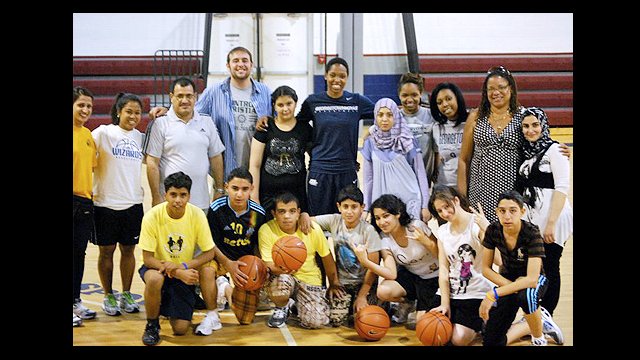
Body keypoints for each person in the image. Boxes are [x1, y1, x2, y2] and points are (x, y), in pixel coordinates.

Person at [259, 57, 374, 216]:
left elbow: (384, 114)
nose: (337, 80)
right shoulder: (313, 102)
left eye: (342, 76)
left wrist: (371, 132)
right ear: (326, 75)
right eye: (333, 75)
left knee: (347, 219)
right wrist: (269, 119)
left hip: (346, 170)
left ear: (347, 77)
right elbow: (294, 124)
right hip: (320, 170)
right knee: (318, 221)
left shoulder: (356, 101)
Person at [458, 65, 570, 224]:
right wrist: (463, 196)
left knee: (510, 240)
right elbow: (464, 159)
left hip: (512, 190)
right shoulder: (476, 116)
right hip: (479, 190)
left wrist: (559, 151)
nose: (496, 92)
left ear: (510, 88)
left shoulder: (522, 115)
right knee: (483, 239)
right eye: (491, 89)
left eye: (501, 87)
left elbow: (541, 146)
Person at [149, 46, 272, 180]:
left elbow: (277, 123)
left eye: (245, 60)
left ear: (251, 65)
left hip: (258, 172)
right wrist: (168, 110)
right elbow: (191, 112)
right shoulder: (214, 92)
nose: (241, 64)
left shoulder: (265, 92)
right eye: (236, 61)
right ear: (228, 65)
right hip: (226, 172)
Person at [137, 172, 217, 346]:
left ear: (189, 195)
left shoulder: (197, 215)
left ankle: (167, 301)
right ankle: (152, 325)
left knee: (180, 329)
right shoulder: (152, 216)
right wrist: (178, 271)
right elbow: (148, 258)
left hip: (183, 269)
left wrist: (184, 266)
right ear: (165, 194)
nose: (178, 200)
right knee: (154, 280)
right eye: (173, 195)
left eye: (183, 195)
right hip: (157, 267)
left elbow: (209, 253)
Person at [515, 107, 571, 344]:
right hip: (534, 220)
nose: (530, 130)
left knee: (550, 266)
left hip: (553, 218)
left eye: (535, 125)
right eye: (526, 126)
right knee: (535, 268)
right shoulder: (525, 152)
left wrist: (550, 223)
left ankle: (546, 316)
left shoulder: (556, 150)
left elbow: (561, 188)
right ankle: (536, 315)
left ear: (544, 125)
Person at [475, 190, 553, 346]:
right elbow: (486, 269)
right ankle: (534, 324)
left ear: (522, 211)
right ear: (497, 211)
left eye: (512, 210)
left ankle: (538, 339)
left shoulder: (532, 232)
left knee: (527, 296)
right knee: (490, 341)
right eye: (502, 211)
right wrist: (510, 287)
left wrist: (494, 293)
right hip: (508, 280)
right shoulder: (493, 230)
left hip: (536, 279)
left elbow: (531, 280)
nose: (507, 216)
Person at [258, 192, 346, 329]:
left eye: (292, 211)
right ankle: (281, 307)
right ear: (274, 213)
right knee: (281, 282)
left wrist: (334, 283)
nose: (287, 216)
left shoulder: (312, 229)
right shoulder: (266, 230)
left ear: (298, 212)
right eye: (282, 211)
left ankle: (296, 305)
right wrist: (286, 267)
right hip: (283, 277)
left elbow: (327, 257)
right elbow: (268, 264)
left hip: (309, 279)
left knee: (316, 322)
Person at [92, 92, 145, 316]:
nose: (133, 116)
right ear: (118, 112)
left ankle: (125, 293)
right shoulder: (104, 132)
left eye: (137, 112)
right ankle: (108, 295)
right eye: (129, 111)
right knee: (106, 252)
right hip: (104, 203)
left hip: (133, 203)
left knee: (128, 250)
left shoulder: (140, 137)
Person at [145, 77, 225, 211]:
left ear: (195, 97)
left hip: (201, 203)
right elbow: (152, 162)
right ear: (171, 97)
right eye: (180, 96)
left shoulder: (206, 122)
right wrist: (156, 196)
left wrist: (220, 189)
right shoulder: (160, 124)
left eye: (189, 96)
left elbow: (216, 157)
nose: (184, 100)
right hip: (169, 204)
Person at [358, 194, 439, 328]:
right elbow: (391, 274)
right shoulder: (384, 239)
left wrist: (426, 242)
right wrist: (365, 261)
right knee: (383, 291)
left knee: (423, 324)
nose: (381, 222)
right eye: (377, 218)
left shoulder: (416, 226)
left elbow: (442, 255)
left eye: (386, 216)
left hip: (434, 277)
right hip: (413, 277)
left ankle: (422, 306)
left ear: (398, 214)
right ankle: (408, 303)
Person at [427, 185, 492, 346]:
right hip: (451, 292)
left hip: (475, 293)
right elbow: (443, 269)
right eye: (440, 211)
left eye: (446, 207)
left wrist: (487, 230)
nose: (444, 213)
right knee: (428, 329)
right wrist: (444, 303)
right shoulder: (443, 231)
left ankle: (482, 325)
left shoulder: (476, 224)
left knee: (458, 339)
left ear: (456, 200)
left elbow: (498, 260)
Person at [205, 166, 267, 330]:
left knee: (245, 319)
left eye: (245, 189)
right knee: (208, 270)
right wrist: (227, 265)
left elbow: (257, 246)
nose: (239, 194)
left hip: (245, 263)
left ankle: (226, 288)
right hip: (219, 258)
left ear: (251, 189)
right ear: (226, 187)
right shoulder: (216, 209)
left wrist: (259, 271)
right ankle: (221, 287)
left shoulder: (258, 213)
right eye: (234, 188)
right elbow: (210, 244)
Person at [311, 184, 382, 327]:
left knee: (365, 320)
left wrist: (362, 296)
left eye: (354, 207)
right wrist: (305, 215)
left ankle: (381, 304)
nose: (349, 211)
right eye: (345, 206)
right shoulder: (334, 220)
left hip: (365, 284)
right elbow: (308, 220)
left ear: (362, 207)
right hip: (343, 284)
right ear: (339, 207)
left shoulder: (369, 231)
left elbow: (373, 268)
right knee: (337, 320)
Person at [361, 98, 431, 222]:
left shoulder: (407, 140)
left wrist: (425, 205)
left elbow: (420, 173)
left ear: (396, 117)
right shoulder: (370, 143)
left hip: (409, 202)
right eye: (380, 115)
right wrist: (366, 207)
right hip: (382, 206)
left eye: (389, 115)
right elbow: (368, 180)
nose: (384, 119)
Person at [248, 85, 312, 219]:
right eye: (280, 105)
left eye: (289, 104)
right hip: (268, 195)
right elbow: (255, 165)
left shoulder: (304, 128)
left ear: (295, 103)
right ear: (274, 106)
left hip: (297, 194)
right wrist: (254, 198)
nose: (285, 109)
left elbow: (315, 157)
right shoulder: (265, 127)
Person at [73, 86, 98, 327]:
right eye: (81, 105)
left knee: (78, 255)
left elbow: (90, 169)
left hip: (84, 202)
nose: (85, 110)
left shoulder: (88, 135)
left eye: (89, 106)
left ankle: (75, 300)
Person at [397, 72, 437, 185]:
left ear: (420, 94)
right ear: (399, 95)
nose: (409, 99)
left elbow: (437, 148)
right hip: (402, 181)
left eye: (414, 95)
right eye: (405, 95)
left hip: (425, 180)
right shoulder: (394, 118)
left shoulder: (431, 116)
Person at [430, 82, 468, 189]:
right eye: (439, 102)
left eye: (448, 99)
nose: (445, 104)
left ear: (457, 98)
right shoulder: (436, 127)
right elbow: (438, 157)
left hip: (467, 186)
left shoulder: (470, 123)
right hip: (443, 187)